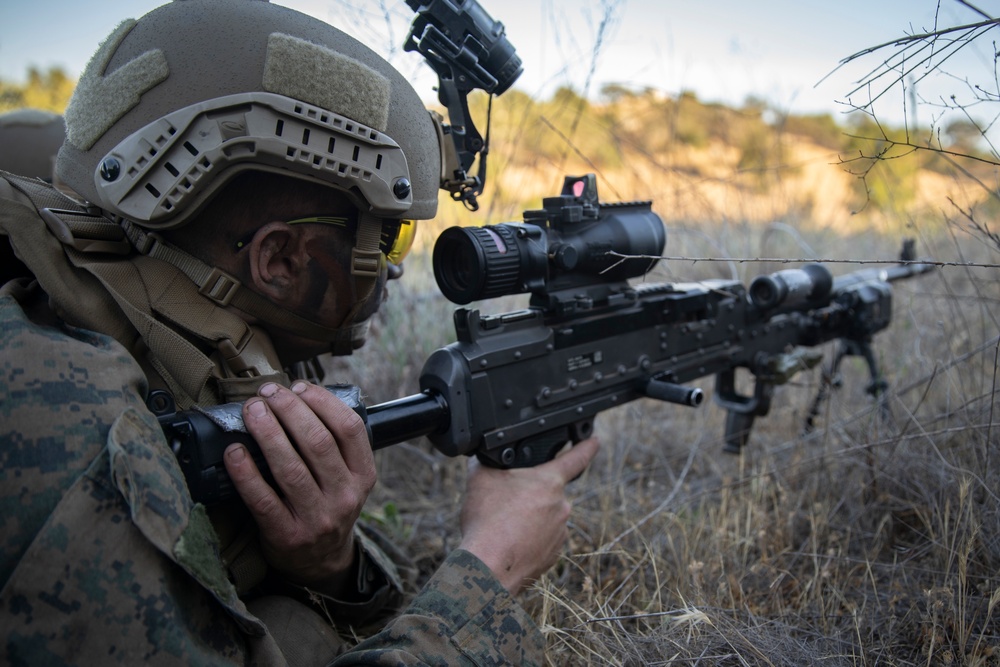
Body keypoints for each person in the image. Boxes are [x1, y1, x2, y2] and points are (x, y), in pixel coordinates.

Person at [0, 1, 600, 665]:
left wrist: (324, 563)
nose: (395, 269)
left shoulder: (174, 325)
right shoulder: (69, 415)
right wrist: (489, 571)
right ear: (281, 260)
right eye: (391, 234)